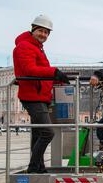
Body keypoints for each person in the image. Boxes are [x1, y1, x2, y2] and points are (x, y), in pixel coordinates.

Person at [13, 14, 70, 174]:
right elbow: (30, 70)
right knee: (47, 132)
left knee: (38, 133)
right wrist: (54, 72)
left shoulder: (37, 48)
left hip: (40, 95)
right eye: (40, 31)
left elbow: (41, 75)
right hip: (32, 96)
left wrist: (57, 80)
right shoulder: (25, 46)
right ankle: (33, 166)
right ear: (33, 30)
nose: (43, 35)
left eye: (46, 32)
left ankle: (39, 167)